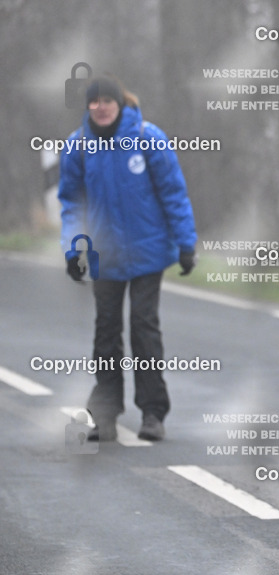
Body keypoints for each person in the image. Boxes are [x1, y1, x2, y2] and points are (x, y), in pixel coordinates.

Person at [59, 75, 197, 442]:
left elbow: (173, 193)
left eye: (108, 100)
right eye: (94, 101)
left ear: (120, 104)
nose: (101, 107)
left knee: (143, 327)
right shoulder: (78, 147)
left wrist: (186, 243)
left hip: (149, 251)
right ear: (88, 106)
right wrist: (73, 249)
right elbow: (72, 202)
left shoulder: (148, 138)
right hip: (105, 255)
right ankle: (104, 412)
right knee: (106, 331)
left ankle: (153, 412)